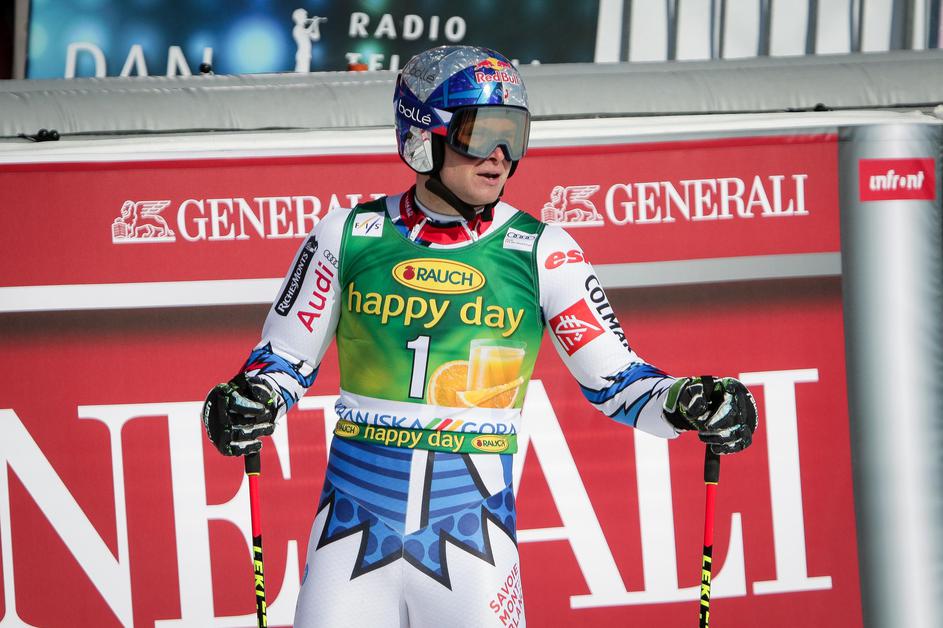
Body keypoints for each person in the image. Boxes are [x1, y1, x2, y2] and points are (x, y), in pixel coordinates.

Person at [202, 45, 757, 627]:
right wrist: (246, 401)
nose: (499, 156)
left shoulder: (544, 251)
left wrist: (689, 401)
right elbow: (282, 361)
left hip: (473, 540)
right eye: (479, 133)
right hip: (350, 530)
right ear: (425, 136)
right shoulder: (348, 234)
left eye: (513, 135)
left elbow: (618, 383)